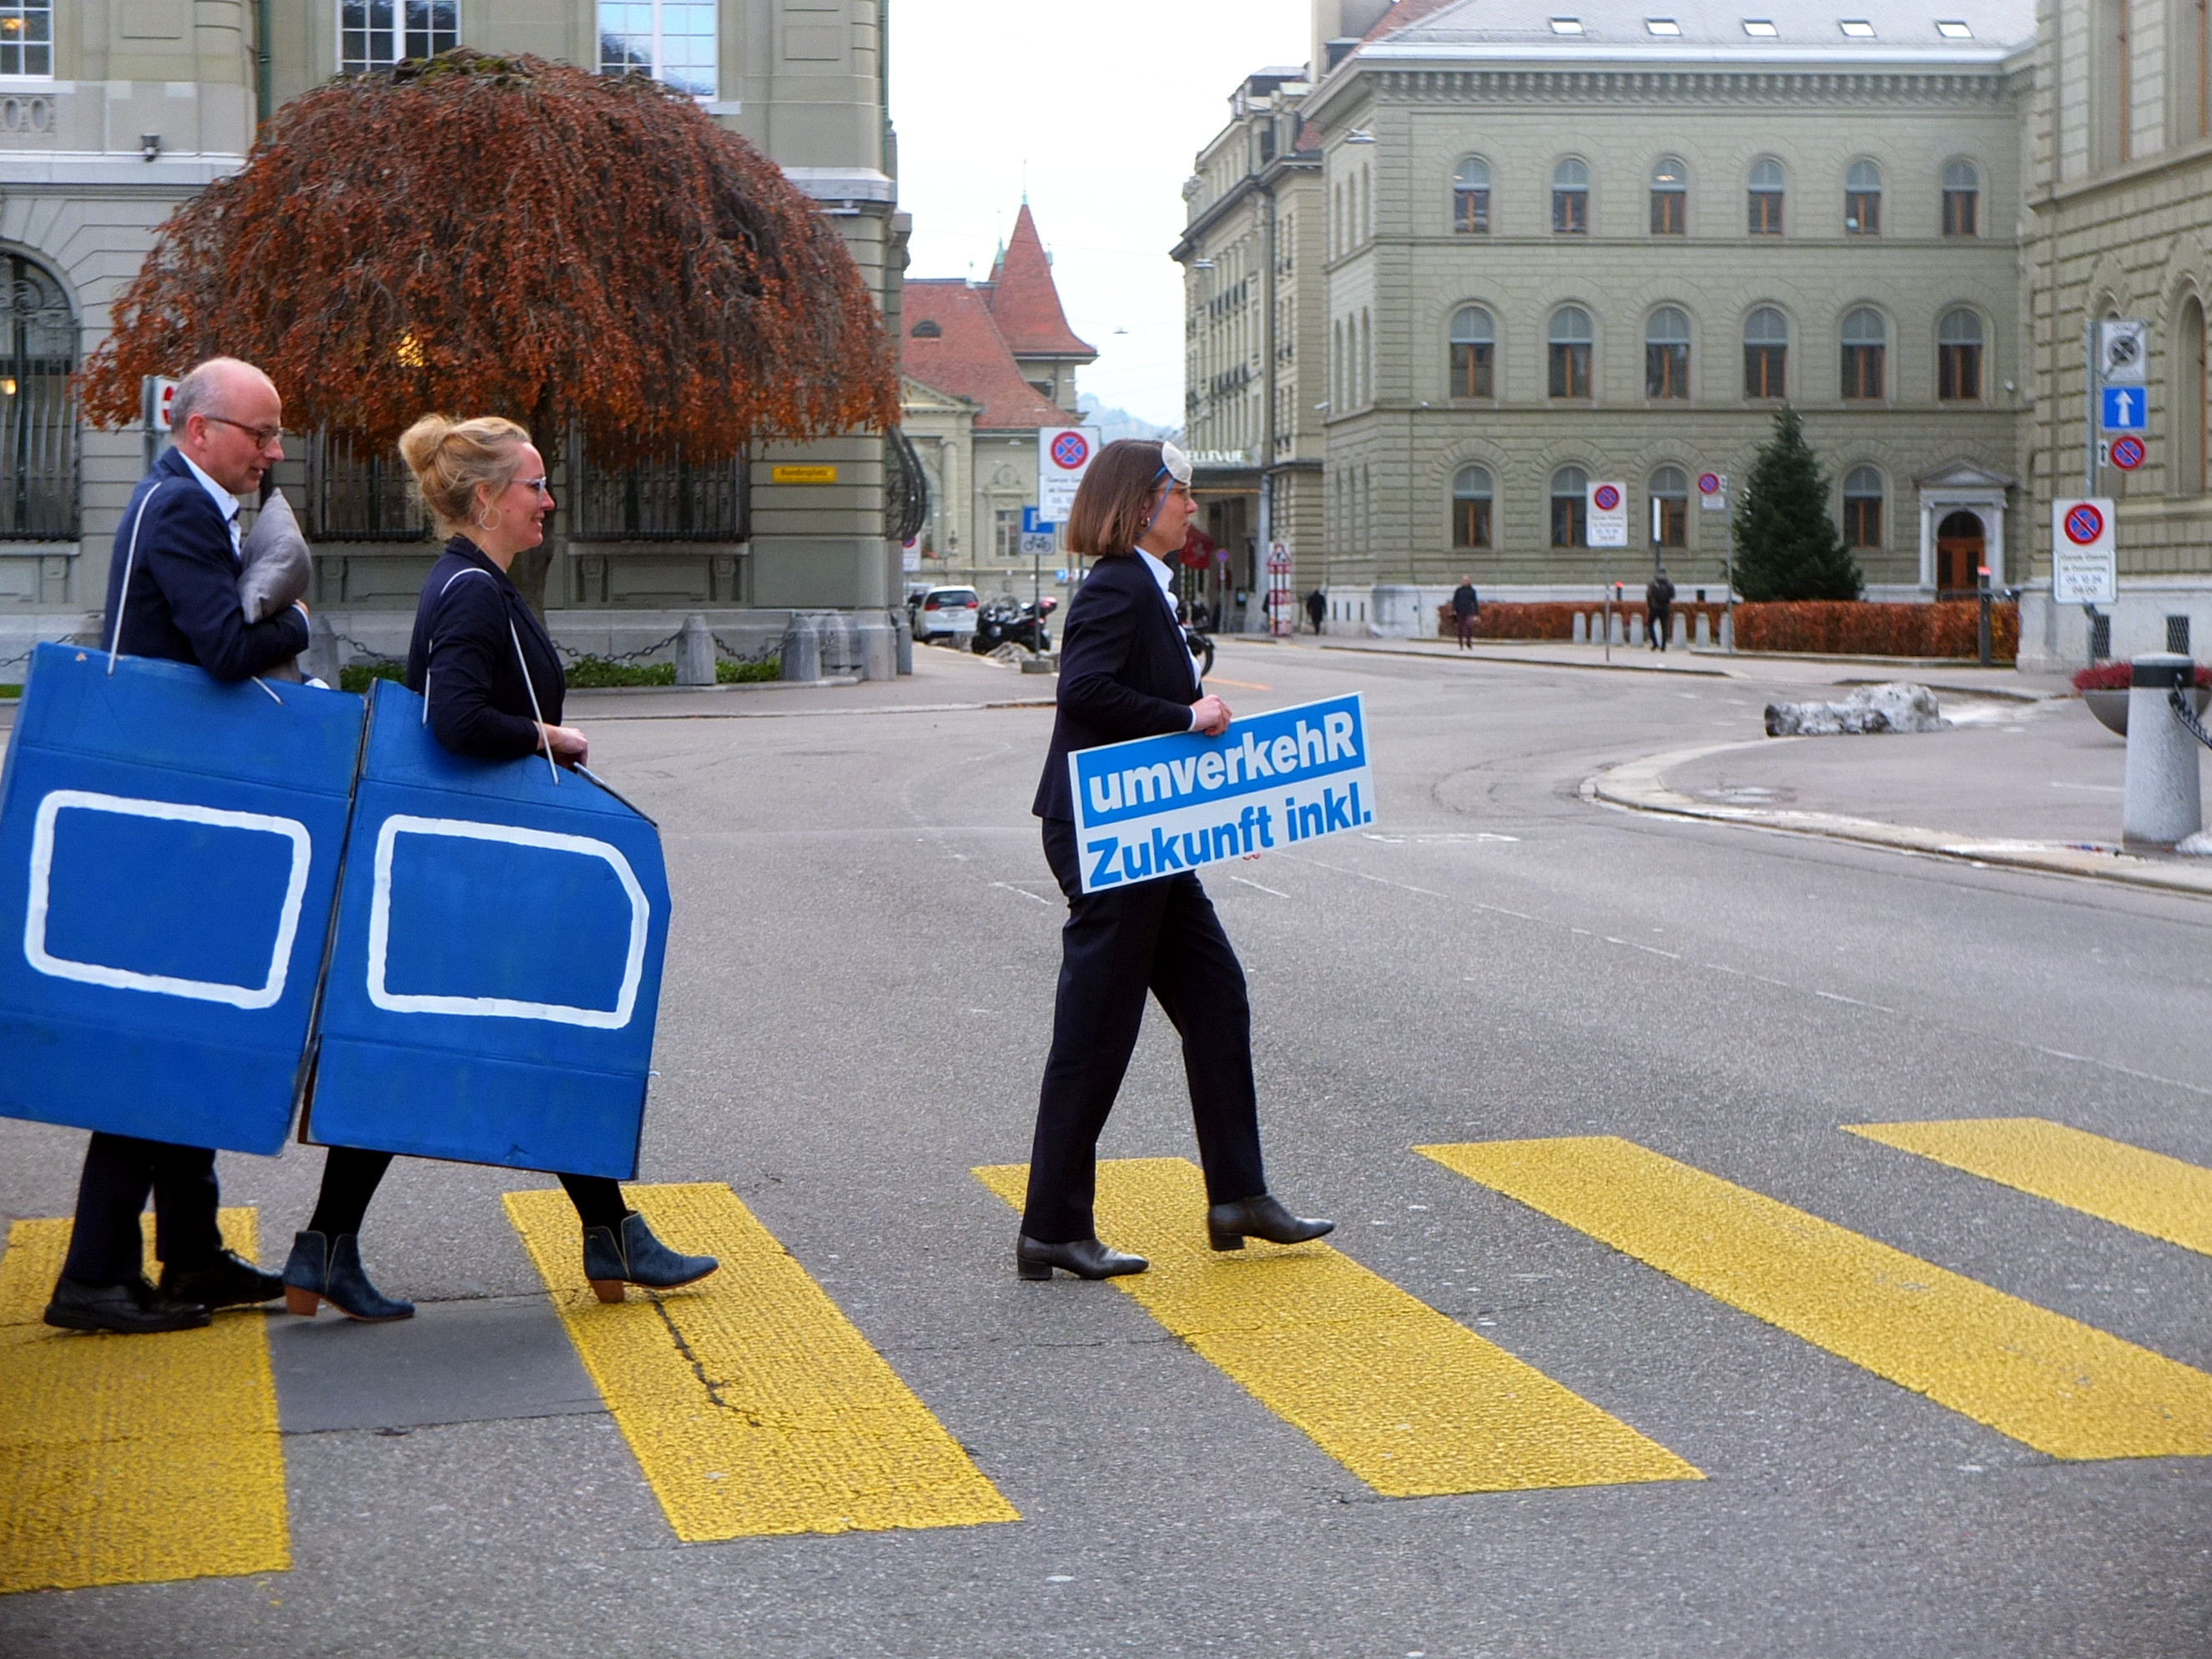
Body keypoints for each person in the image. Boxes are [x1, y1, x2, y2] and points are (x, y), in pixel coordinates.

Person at [282, 415, 717, 1320]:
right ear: (487, 497)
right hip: (478, 868)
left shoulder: (472, 582)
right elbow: (453, 720)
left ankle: (336, 1246)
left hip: (475, 860)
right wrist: (548, 736)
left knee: (507, 1040)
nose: (548, 500)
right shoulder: (473, 592)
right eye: (535, 485)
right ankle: (602, 1234)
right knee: (516, 1038)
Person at [1016, 439, 1332, 1281]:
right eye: (1179, 493)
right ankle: (1051, 1227)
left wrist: (1228, 808)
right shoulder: (1117, 584)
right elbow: (1083, 690)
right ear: (1139, 502)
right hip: (1106, 833)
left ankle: (1238, 1195)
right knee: (1096, 1033)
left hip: (1151, 834)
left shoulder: (1148, 586)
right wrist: (1188, 715)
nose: (1191, 507)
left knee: (1216, 998)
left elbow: (1143, 712)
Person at [43, 357, 301, 1334]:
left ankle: (190, 1254)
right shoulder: (184, 509)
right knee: (156, 1042)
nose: (273, 452)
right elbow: (226, 652)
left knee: (183, 1031)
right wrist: (297, 616)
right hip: (163, 817)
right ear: (201, 431)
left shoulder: (181, 500)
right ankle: (94, 1276)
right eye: (259, 434)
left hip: (164, 807)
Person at [1646, 566, 1676, 653]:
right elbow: (1673, 595)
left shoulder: (1653, 583)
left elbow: (1648, 595)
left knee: (1650, 624)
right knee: (1664, 627)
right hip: (1665, 607)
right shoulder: (1669, 583)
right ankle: (1663, 646)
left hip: (1654, 607)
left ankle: (1655, 643)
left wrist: (1650, 605)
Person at [1449, 576, 1481, 651]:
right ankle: (1461, 643)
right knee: (1460, 628)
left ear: (1469, 581)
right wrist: (1454, 610)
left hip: (1469, 611)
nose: (1465, 582)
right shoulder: (1459, 590)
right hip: (1460, 611)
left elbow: (1475, 602)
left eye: (1467, 581)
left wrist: (1477, 613)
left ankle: (1469, 641)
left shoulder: (1472, 591)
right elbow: (1455, 600)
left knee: (1469, 626)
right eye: (1464, 581)